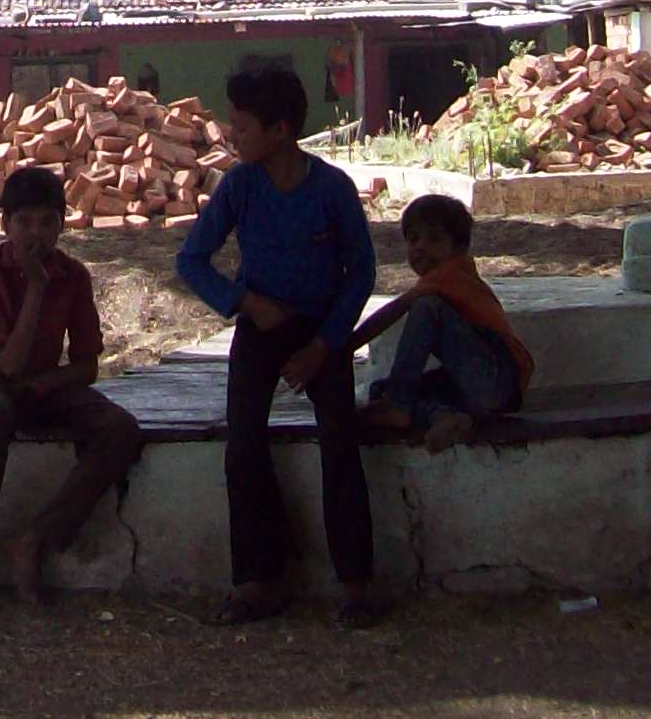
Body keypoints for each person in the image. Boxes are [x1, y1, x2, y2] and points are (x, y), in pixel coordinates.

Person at [176, 63, 383, 626]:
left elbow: (361, 272)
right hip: (259, 328)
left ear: (281, 130)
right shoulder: (238, 186)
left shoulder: (332, 189)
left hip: (324, 330)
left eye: (241, 127)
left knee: (340, 443)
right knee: (242, 446)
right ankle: (256, 580)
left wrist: (324, 344)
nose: (231, 136)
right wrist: (245, 303)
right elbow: (190, 261)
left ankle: (356, 582)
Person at [0, 164, 147, 611]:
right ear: (5, 226)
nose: (36, 234)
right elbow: (7, 364)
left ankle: (39, 537)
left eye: (47, 222)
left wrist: (47, 385)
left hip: (43, 385)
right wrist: (35, 288)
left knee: (120, 429)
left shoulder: (74, 276)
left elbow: (87, 365)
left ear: (62, 224)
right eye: (24, 223)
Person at [348, 193, 533, 450]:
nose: (421, 247)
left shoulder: (449, 273)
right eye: (414, 239)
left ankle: (398, 407)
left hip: (498, 375)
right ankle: (444, 417)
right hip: (485, 396)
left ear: (458, 248)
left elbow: (395, 310)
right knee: (382, 390)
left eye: (434, 238)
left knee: (425, 309)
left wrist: (345, 346)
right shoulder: (444, 278)